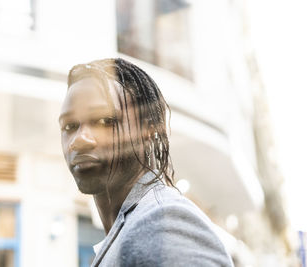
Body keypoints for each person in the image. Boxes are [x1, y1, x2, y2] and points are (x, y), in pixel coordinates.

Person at [59, 58, 234, 267]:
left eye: (105, 121)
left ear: (148, 131)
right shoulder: (128, 228)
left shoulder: (164, 220)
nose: (80, 139)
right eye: (69, 126)